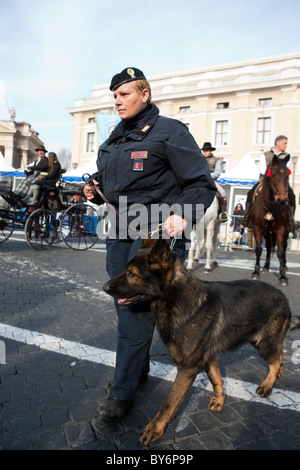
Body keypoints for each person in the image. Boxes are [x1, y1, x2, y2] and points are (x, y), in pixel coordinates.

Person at [83, 67, 216, 424]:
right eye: (115, 96)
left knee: (133, 311)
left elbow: (201, 184)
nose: (117, 100)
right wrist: (96, 188)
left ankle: (122, 393)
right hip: (118, 231)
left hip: (153, 236)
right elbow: (113, 180)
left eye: (124, 94)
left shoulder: (170, 131)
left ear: (145, 94)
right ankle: (135, 370)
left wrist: (183, 216)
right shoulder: (114, 137)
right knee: (124, 303)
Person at [240, 136, 299, 230]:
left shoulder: (287, 156)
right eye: (285, 143)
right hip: (265, 181)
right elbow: (262, 169)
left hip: (280, 183)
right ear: (278, 143)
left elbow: (286, 169)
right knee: (250, 193)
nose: (286, 145)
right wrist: (273, 174)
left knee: (292, 196)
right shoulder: (265, 154)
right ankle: (246, 218)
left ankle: (291, 221)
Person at [201, 142, 228, 222]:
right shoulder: (199, 159)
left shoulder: (216, 160)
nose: (205, 152)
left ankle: (222, 212)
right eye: (204, 150)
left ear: (210, 151)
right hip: (200, 181)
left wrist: (207, 176)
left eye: (207, 150)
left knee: (223, 193)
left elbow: (217, 173)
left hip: (212, 181)